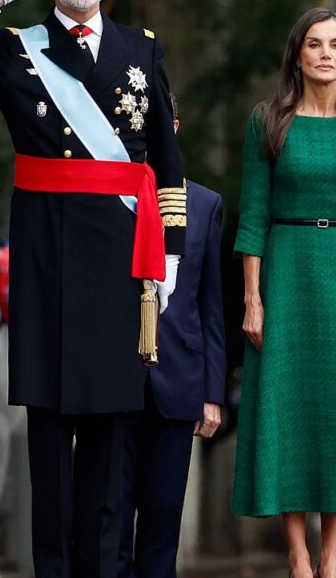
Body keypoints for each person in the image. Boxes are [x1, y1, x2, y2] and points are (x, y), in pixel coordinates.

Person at [0, 0, 186, 573]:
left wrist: (170, 252)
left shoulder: (140, 47)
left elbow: (167, 161)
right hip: (47, 252)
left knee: (110, 431)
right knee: (48, 435)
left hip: (121, 255)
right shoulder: (19, 48)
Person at [232, 7, 336, 578]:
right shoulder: (268, 121)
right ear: (297, 53)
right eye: (315, 44)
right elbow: (252, 215)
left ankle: (331, 558)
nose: (326, 53)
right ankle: (297, 554)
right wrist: (253, 298)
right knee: (288, 409)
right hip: (287, 268)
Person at [119, 99, 226, 578]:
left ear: (175, 128)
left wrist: (212, 393)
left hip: (179, 382)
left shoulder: (205, 204)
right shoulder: (106, 197)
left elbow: (211, 306)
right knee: (110, 517)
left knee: (163, 520)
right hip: (113, 380)